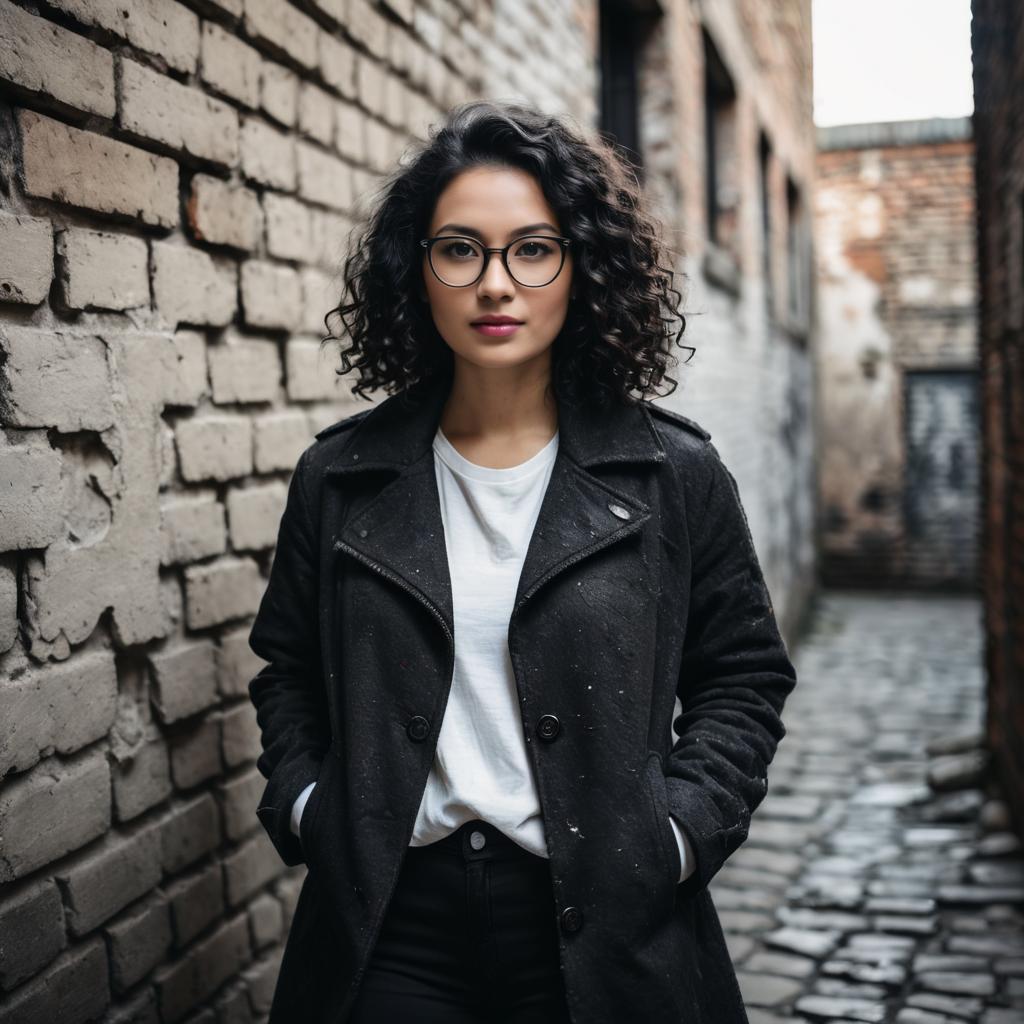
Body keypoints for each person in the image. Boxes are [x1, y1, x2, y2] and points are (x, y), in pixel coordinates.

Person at [248, 99, 798, 1024]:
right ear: (416, 269)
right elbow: (288, 672)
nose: (495, 284)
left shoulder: (672, 473)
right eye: (460, 250)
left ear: (582, 267)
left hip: (609, 913)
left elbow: (743, 678)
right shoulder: (340, 477)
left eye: (533, 249)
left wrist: (675, 837)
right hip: (392, 917)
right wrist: (310, 809)